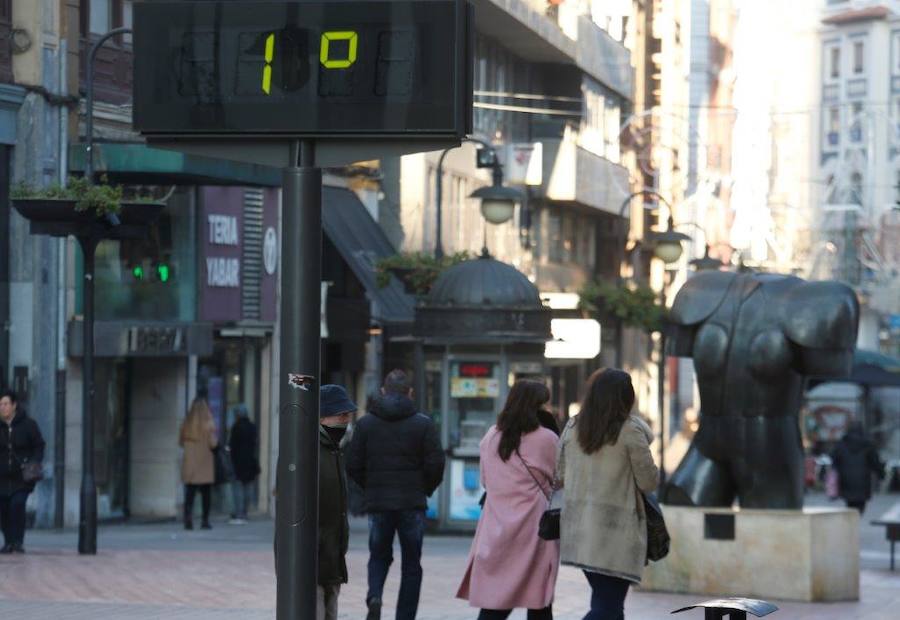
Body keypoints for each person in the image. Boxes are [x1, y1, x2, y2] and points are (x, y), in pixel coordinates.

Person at [557, 369, 658, 620]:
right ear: (627, 398)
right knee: (608, 609)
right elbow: (648, 482)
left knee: (607, 603)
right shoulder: (631, 431)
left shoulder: (572, 427)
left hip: (580, 532)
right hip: (616, 534)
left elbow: (559, 474)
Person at [347, 369, 446, 620]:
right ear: (410, 393)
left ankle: (375, 595)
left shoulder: (366, 423)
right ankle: (405, 616)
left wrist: (369, 486)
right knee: (412, 564)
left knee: (378, 554)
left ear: (383, 391)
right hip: (412, 502)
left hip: (379, 501)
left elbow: (353, 463)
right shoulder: (423, 423)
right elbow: (436, 463)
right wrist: (425, 488)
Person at [457, 380, 560, 619]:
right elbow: (560, 479)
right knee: (539, 601)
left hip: (496, 526)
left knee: (496, 603)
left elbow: (485, 480)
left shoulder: (491, 436)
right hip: (534, 528)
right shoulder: (546, 438)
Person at [316, 385, 355, 620]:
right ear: (321, 416)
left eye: (348, 414)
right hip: (313, 557)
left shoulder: (335, 450)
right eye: (340, 414)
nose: (346, 419)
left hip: (333, 554)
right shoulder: (307, 451)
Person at [0, 390, 45, 554]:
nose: (2, 407)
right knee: (4, 509)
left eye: (5, 404)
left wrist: (34, 461)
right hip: (2, 478)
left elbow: (39, 445)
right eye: (0, 405)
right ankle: (8, 542)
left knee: (17, 505)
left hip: (22, 477)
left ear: (14, 405)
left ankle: (18, 541)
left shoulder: (28, 425)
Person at [180, 397, 218, 530]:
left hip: (190, 463)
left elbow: (180, 442)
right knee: (206, 495)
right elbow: (213, 444)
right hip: (204, 463)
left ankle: (188, 518)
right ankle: (204, 520)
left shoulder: (186, 423)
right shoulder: (209, 425)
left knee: (190, 493)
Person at [831, 421, 885, 514]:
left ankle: (852, 521)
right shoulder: (868, 444)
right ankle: (857, 518)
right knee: (860, 505)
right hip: (863, 480)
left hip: (846, 479)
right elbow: (875, 462)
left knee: (849, 504)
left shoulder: (842, 443)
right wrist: (881, 474)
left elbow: (834, 459)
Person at [228, 404, 260, 525]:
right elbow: (255, 444)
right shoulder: (252, 427)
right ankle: (245, 512)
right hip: (250, 462)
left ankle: (239, 512)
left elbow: (232, 446)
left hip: (238, 462)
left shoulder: (236, 427)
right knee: (248, 488)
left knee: (238, 489)